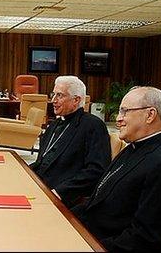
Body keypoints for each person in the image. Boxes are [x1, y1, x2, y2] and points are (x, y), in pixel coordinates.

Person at [72, 86, 161, 251]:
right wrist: (63, 217)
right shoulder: (134, 147)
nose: (118, 119)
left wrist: (85, 247)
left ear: (150, 115)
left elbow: (145, 238)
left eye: (125, 111)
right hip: (86, 233)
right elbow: (96, 201)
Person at [29, 75, 111, 207]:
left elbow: (96, 170)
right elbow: (42, 161)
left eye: (60, 95)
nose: (53, 100)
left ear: (76, 100)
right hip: (39, 187)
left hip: (63, 196)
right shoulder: (55, 124)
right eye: (53, 94)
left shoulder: (93, 125)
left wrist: (59, 192)